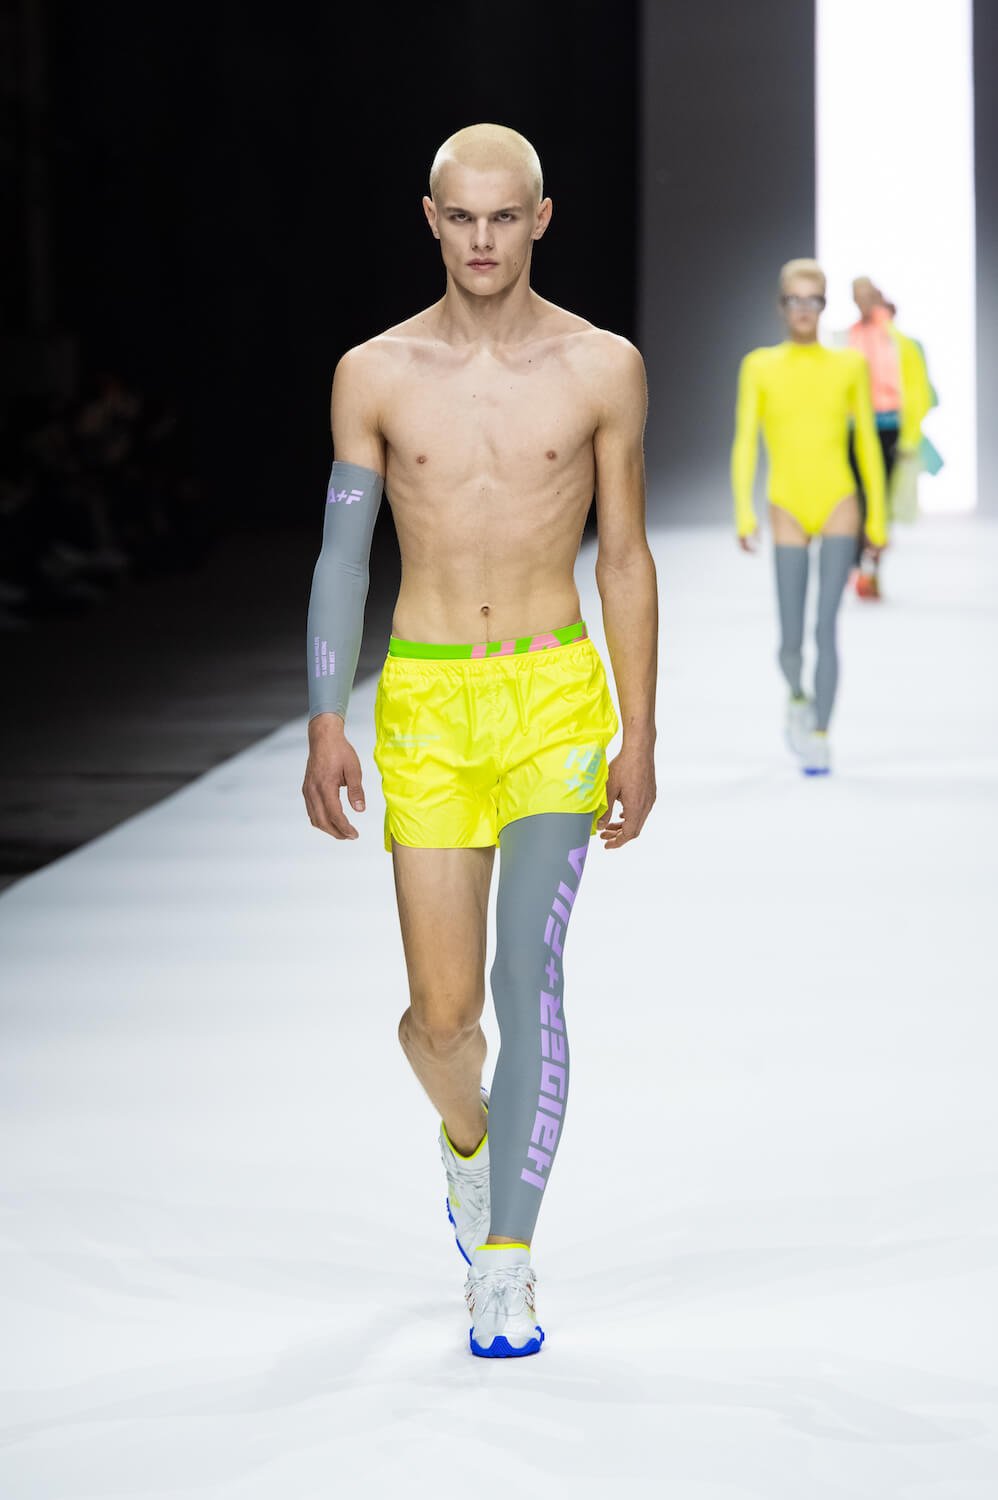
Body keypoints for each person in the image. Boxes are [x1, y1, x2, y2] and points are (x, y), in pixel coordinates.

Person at [301, 124, 658, 1357]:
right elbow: (343, 555)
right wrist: (325, 716)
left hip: (554, 696)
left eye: (505, 217)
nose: (483, 240)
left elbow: (623, 557)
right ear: (430, 218)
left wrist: (639, 732)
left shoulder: (601, 366)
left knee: (525, 980)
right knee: (442, 1018)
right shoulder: (375, 373)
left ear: (540, 219)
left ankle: (506, 1260)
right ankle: (468, 1141)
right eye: (461, 217)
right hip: (427, 701)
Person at [731, 258, 886, 776]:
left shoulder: (849, 366)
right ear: (782, 306)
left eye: (812, 300)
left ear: (823, 305)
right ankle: (797, 696)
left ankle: (820, 733)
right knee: (791, 640)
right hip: (787, 505)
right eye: (794, 300)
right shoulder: (759, 366)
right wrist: (743, 511)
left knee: (826, 628)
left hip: (839, 499)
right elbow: (745, 440)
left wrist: (878, 521)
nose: (803, 309)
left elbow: (866, 444)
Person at [848, 278, 934, 596]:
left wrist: (910, 437)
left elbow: (918, 391)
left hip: (889, 428)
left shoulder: (899, 342)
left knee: (879, 500)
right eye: (856, 296)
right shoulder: (849, 337)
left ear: (878, 298)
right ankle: (860, 566)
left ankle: (870, 569)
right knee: (855, 498)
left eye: (866, 295)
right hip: (854, 429)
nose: (862, 302)